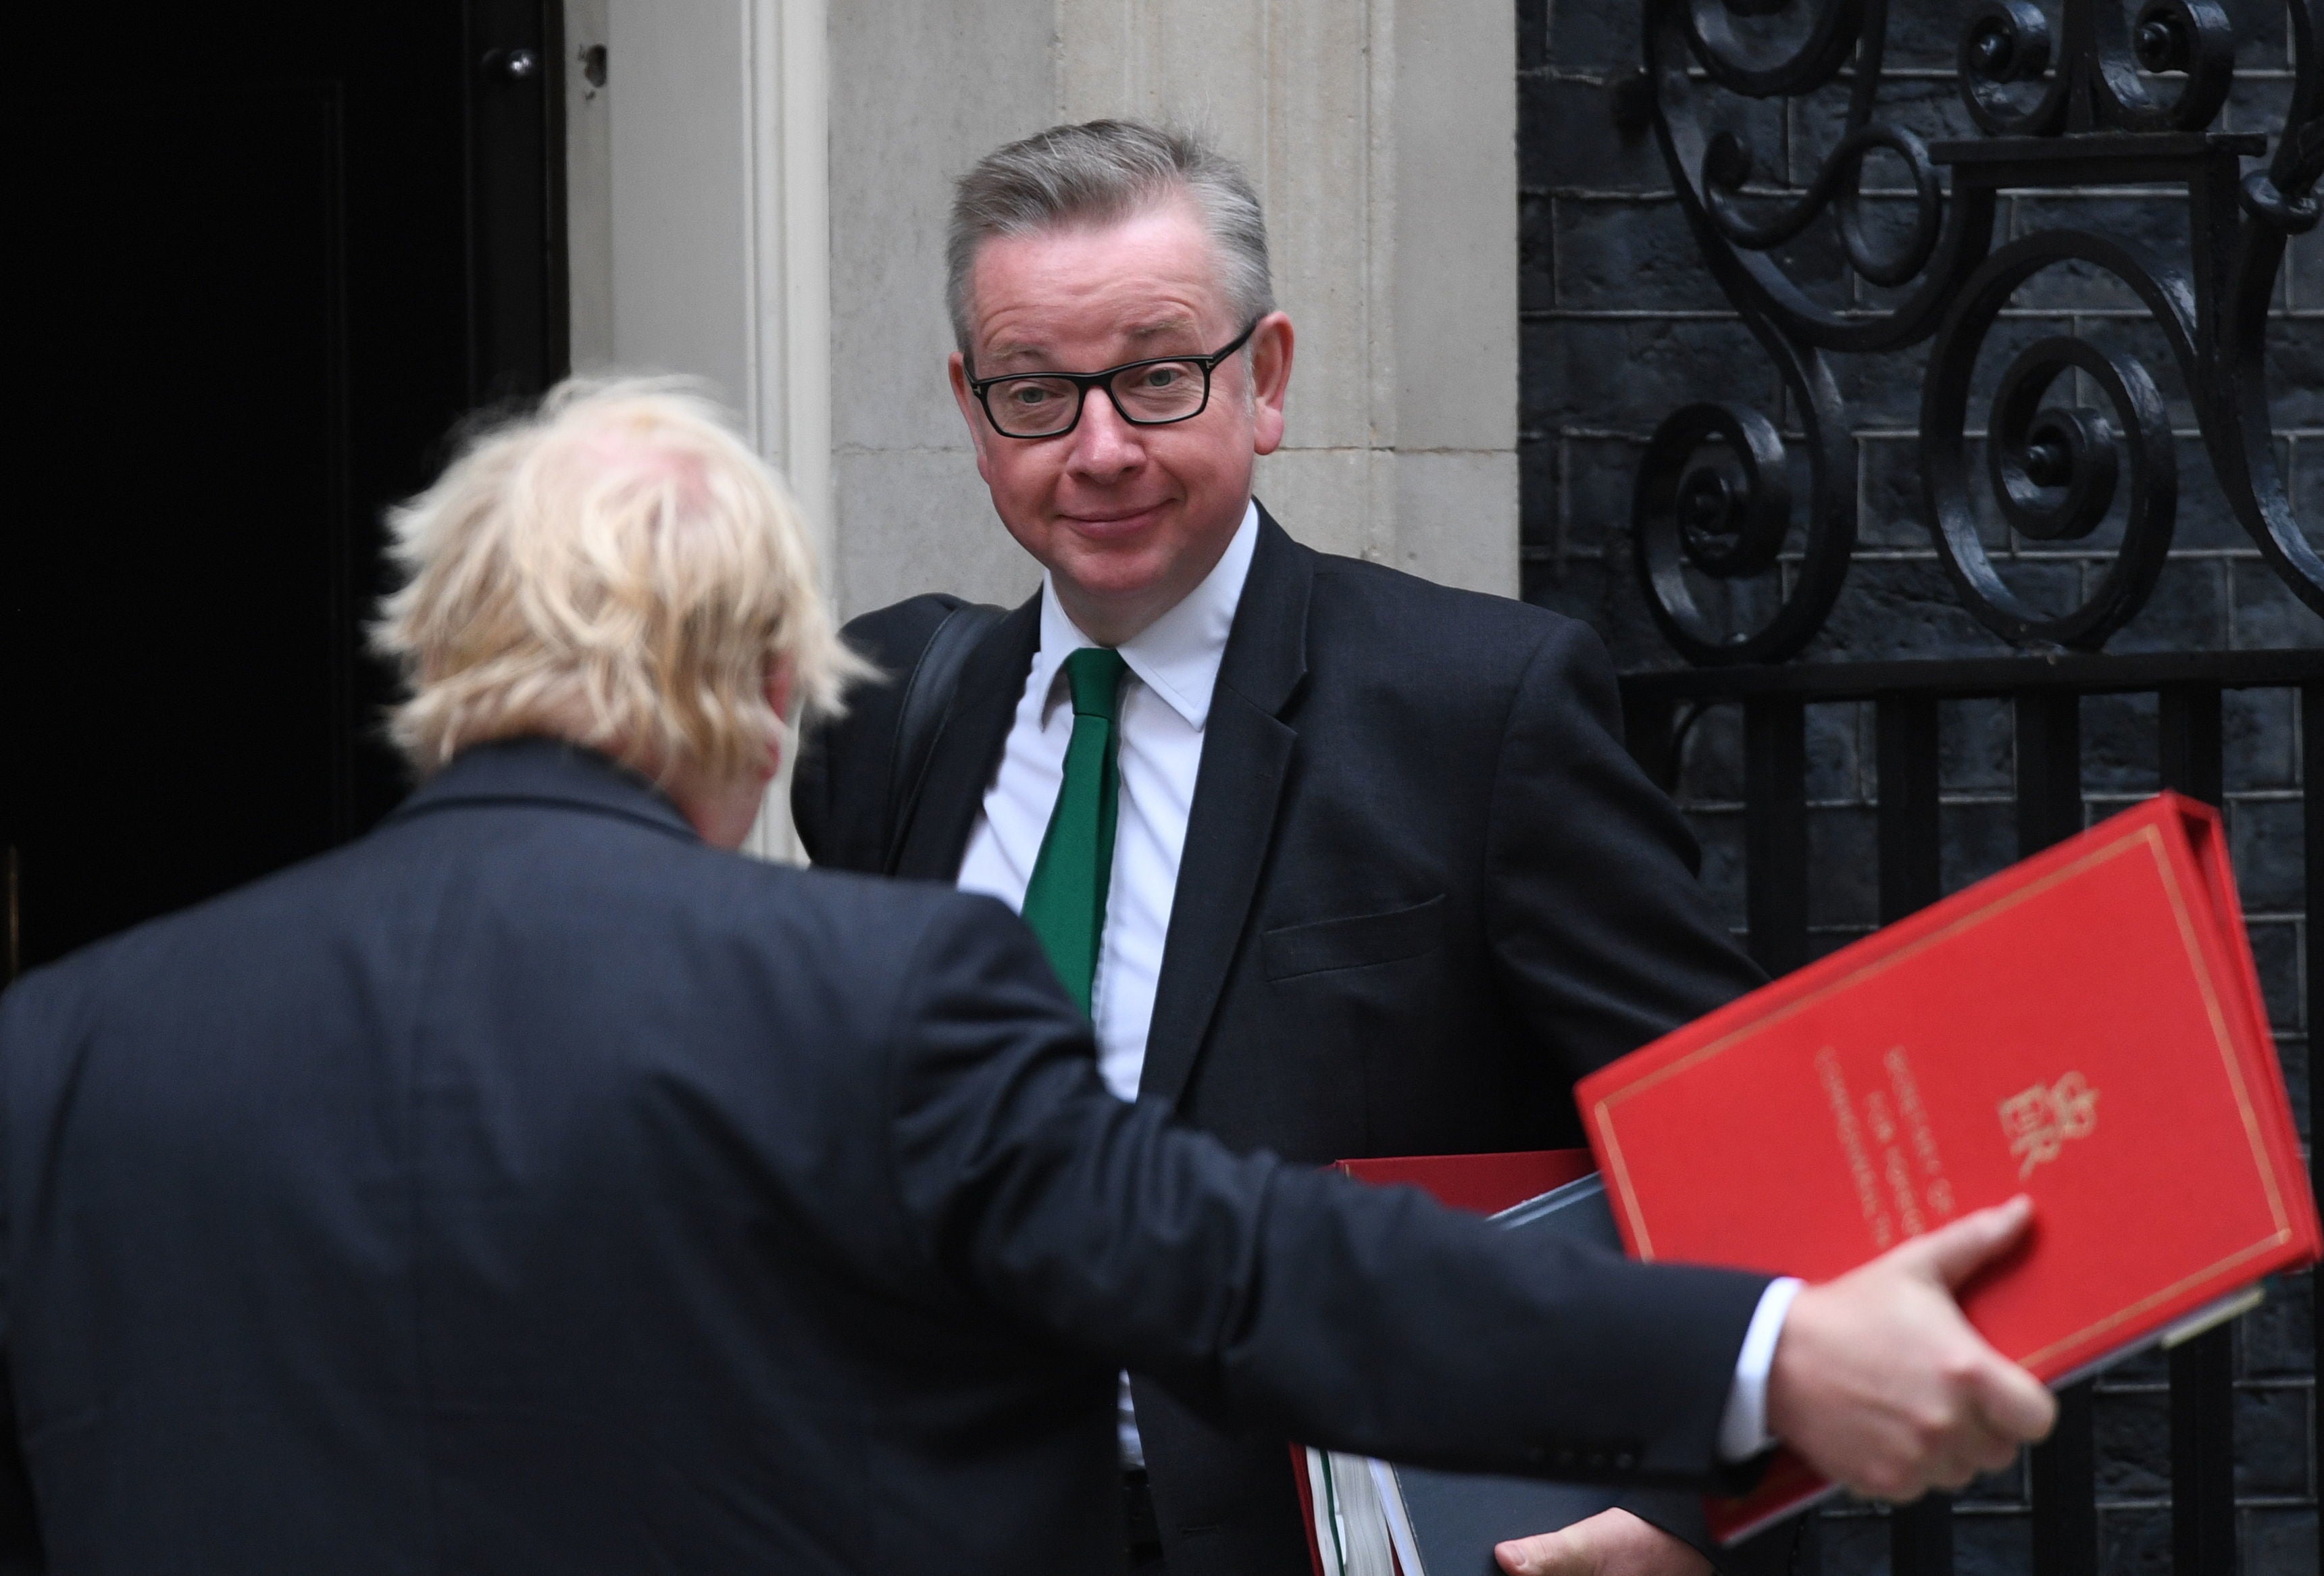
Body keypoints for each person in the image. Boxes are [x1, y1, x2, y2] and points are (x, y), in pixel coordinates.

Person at [0, 381, 2051, 1574]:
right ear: (783, 687)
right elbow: (1253, 1272)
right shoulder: (890, 989)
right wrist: (1768, 1360)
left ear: (436, 655)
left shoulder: (66, 1047)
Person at [786, 120, 1881, 1576]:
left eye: (1158, 378)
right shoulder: (886, 717)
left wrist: (1684, 1508)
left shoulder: (1472, 709)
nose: (1099, 450)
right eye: (1038, 394)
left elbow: (1749, 1133)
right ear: (973, 411)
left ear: (1268, 378)